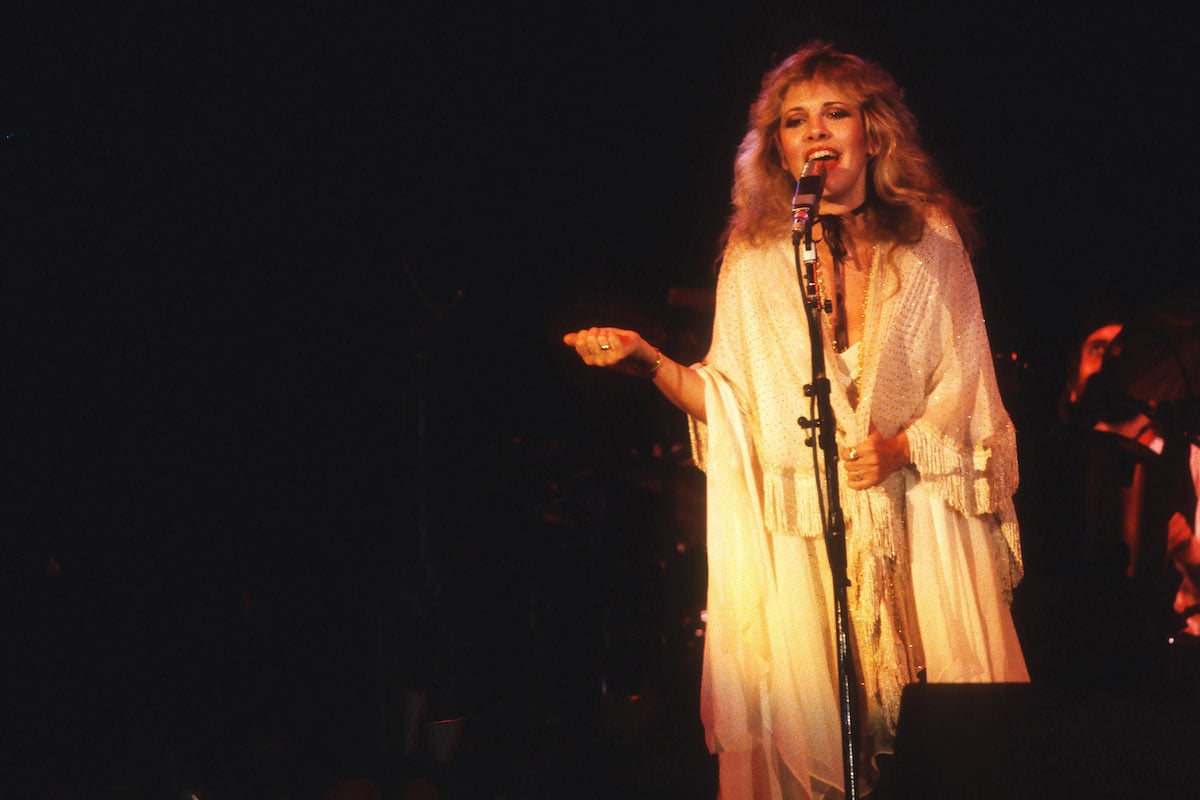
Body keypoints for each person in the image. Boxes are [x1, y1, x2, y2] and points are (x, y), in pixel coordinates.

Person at [563, 41, 1028, 799]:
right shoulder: (752, 259)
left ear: (871, 132)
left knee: (937, 747)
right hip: (810, 553)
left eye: (834, 113)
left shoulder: (931, 239)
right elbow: (737, 408)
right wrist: (649, 361)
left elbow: (968, 382)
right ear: (776, 147)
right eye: (794, 120)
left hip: (917, 532)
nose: (815, 131)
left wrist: (904, 445)